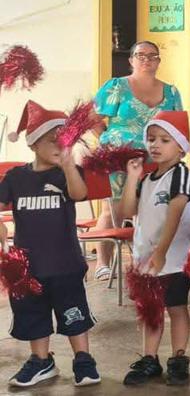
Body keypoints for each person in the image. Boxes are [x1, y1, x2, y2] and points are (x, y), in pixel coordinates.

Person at [0, 101, 99, 388]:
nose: (60, 145)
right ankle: (41, 361)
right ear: (33, 144)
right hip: (29, 266)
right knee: (33, 315)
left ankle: (83, 359)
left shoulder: (68, 172)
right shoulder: (16, 177)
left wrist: (68, 166)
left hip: (65, 262)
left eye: (64, 140)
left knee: (73, 312)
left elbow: (79, 194)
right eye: (52, 140)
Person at [90, 40, 184, 282]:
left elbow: (177, 127)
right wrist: (110, 143)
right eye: (141, 55)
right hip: (118, 161)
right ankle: (103, 263)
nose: (147, 59)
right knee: (113, 209)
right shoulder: (117, 86)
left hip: (155, 162)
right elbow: (92, 118)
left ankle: (144, 263)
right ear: (131, 60)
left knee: (150, 211)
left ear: (159, 61)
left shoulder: (172, 92)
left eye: (153, 56)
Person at [118, 111, 190, 386]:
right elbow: (127, 211)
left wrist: (162, 251)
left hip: (173, 258)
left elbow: (175, 213)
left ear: (180, 146)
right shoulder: (147, 179)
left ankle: (178, 358)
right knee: (150, 309)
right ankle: (150, 358)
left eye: (165, 140)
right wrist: (132, 177)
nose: (155, 145)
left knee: (176, 307)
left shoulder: (181, 175)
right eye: (151, 139)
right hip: (146, 257)